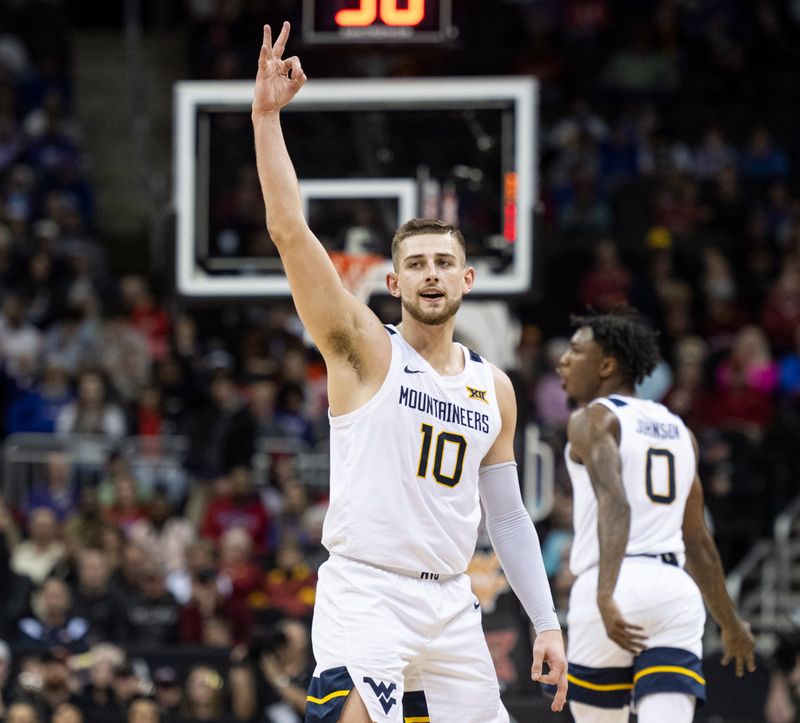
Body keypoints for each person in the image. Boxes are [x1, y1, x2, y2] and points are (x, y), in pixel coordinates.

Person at [251, 21, 567, 723]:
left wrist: (545, 620)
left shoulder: (495, 386)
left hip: (454, 600)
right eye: (417, 264)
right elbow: (288, 229)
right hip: (369, 592)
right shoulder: (365, 348)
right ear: (393, 281)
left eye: (443, 262)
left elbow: (509, 514)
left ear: (468, 278)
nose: (431, 275)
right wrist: (267, 120)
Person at [555, 309, 756, 721]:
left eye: (576, 351)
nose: (563, 360)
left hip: (610, 581)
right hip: (673, 590)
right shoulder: (681, 430)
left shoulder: (591, 418)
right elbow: (697, 540)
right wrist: (731, 622)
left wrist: (607, 594)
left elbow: (615, 502)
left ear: (606, 365)